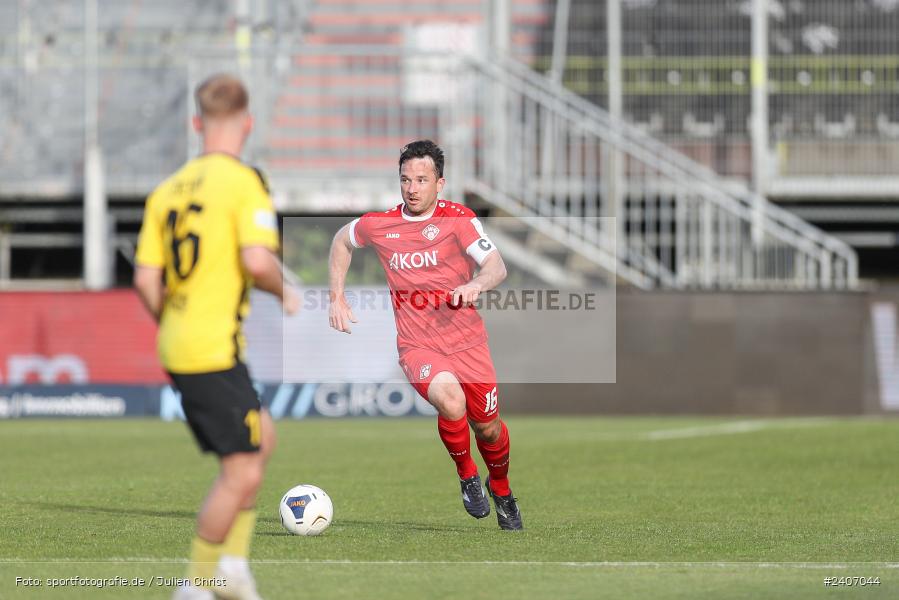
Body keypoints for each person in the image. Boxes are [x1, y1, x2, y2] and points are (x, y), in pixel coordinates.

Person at [134, 73, 298, 600]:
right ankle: (199, 585)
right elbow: (256, 260)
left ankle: (233, 567)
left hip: (182, 341)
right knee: (241, 470)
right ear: (248, 124)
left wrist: (174, 321)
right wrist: (283, 291)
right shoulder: (243, 182)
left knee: (263, 439)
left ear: (195, 124)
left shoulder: (167, 191)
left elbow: (144, 278)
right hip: (212, 348)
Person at [328, 140, 522, 530]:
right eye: (405, 180)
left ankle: (500, 488)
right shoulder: (379, 225)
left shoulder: (459, 220)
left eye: (421, 179)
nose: (412, 188)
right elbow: (341, 241)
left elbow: (496, 266)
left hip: (468, 342)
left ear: (440, 183)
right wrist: (336, 297)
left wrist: (477, 285)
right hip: (418, 345)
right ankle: (468, 476)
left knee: (487, 426)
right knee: (450, 401)